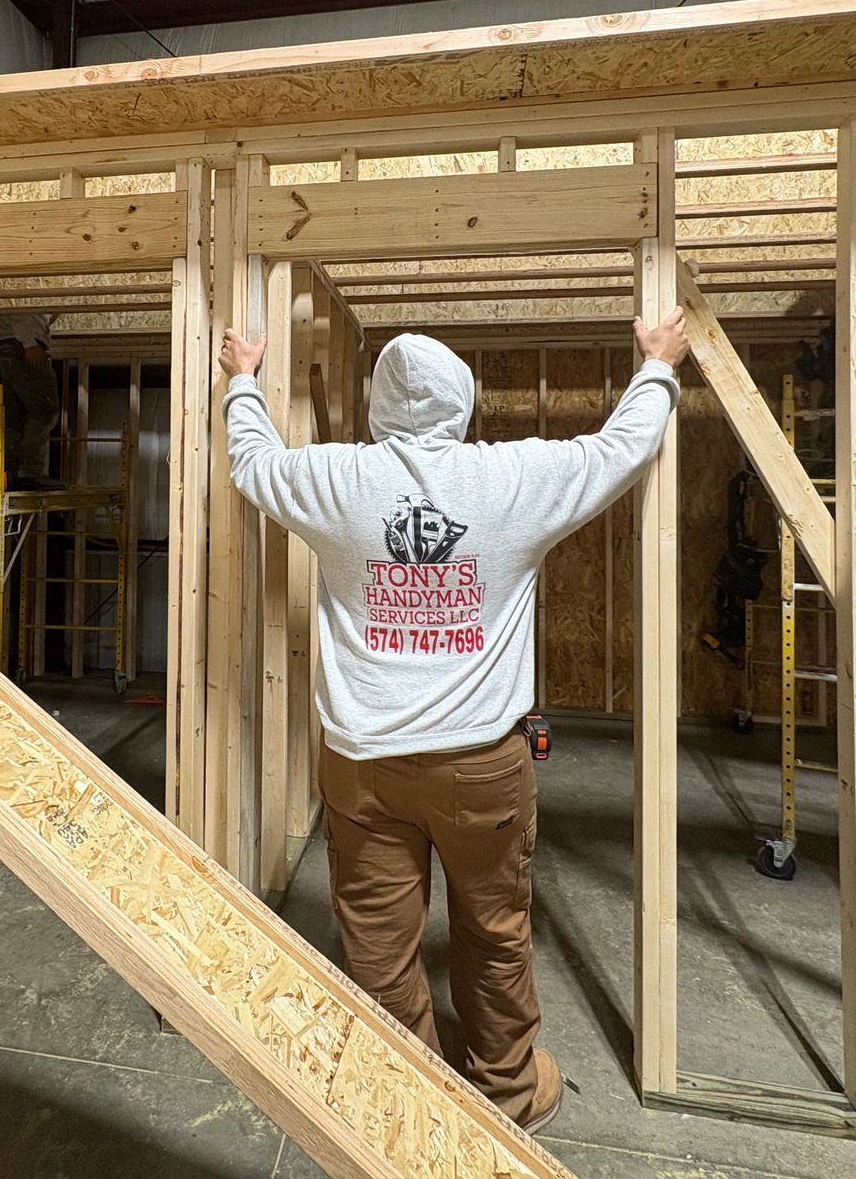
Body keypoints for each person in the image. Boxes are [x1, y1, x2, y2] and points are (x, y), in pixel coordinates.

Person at [218, 311, 688, 1132]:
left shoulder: (336, 478)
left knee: (377, 945)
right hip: (480, 768)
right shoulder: (513, 477)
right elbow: (619, 449)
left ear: (377, 406)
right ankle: (508, 1092)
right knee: (494, 932)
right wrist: (655, 367)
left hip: (362, 764)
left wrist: (243, 382)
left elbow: (251, 462)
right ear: (462, 403)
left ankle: (410, 1102)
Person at [0, 312, 61, 489]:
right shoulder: (24, 292)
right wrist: (28, 343)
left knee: (16, 415)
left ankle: (11, 475)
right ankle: (30, 473)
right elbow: (18, 306)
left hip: (7, 345)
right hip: (21, 345)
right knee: (44, 410)